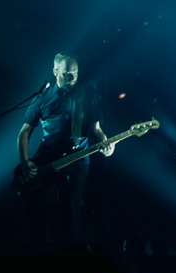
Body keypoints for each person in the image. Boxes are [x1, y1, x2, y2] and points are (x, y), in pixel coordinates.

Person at [17, 52, 114, 242]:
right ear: (55, 71)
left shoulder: (88, 95)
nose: (72, 77)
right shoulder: (43, 97)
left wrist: (106, 143)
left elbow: (96, 130)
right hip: (47, 160)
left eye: (75, 73)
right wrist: (24, 161)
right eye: (67, 73)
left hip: (77, 159)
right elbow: (24, 132)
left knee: (71, 212)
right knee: (38, 210)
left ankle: (72, 262)